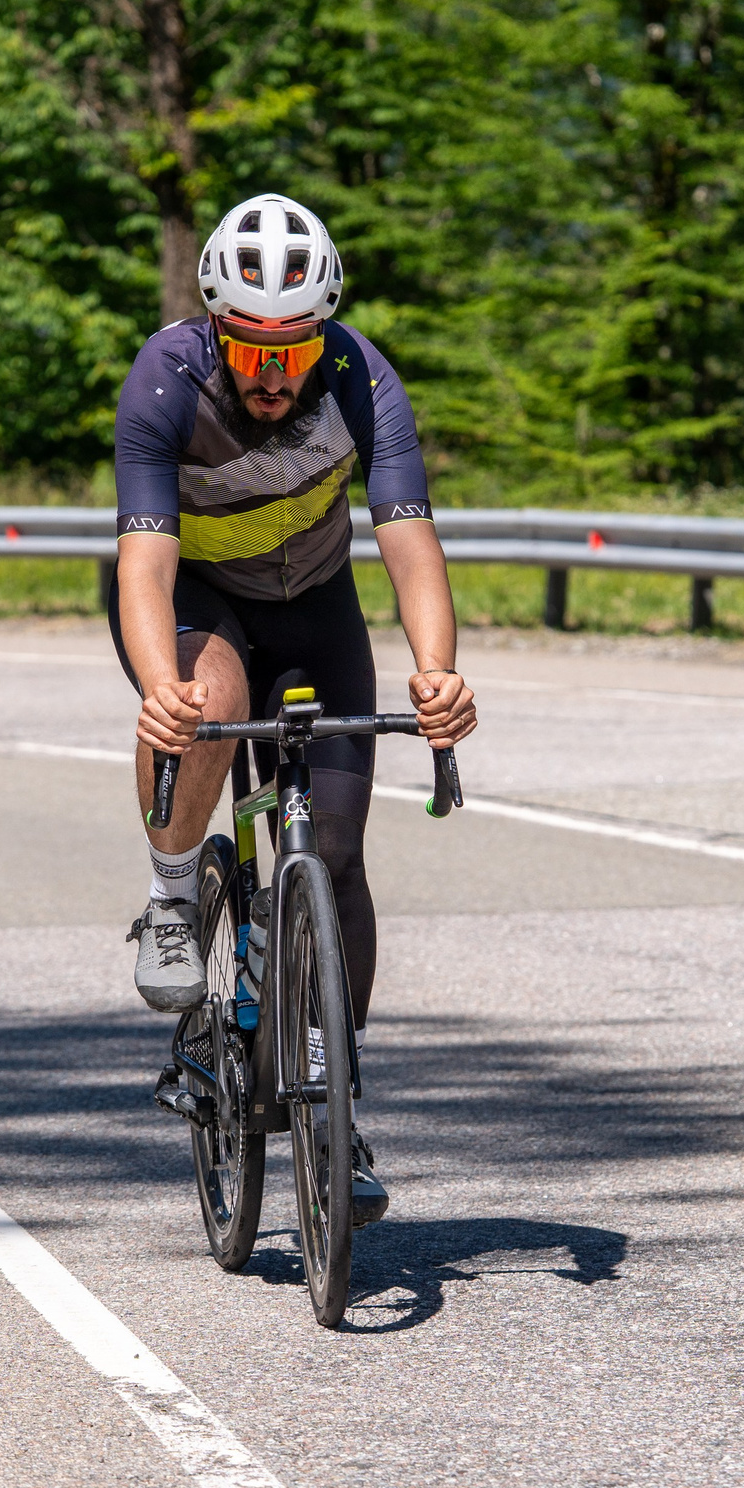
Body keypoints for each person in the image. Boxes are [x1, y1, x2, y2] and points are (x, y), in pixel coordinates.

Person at [110, 190, 477, 1227]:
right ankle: (175, 894)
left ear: (321, 334)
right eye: (251, 348)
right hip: (196, 603)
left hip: (313, 605)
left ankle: (336, 1105)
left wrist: (438, 672)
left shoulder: (359, 375)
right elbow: (142, 562)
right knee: (208, 697)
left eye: (294, 350)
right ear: (217, 328)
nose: (273, 375)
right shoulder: (166, 376)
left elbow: (408, 536)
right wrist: (159, 693)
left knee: (343, 857)